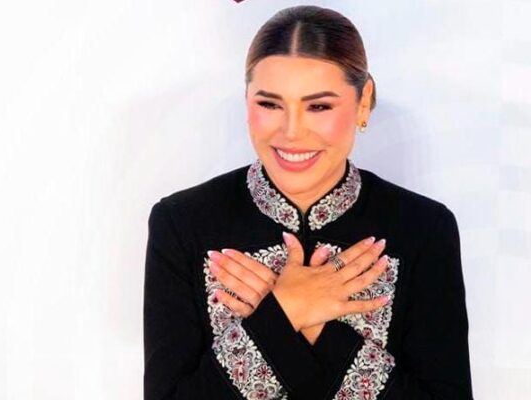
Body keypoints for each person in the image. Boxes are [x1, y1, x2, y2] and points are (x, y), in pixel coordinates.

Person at [143, 5, 473, 400]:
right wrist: (286, 310)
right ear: (247, 100)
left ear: (363, 101)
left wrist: (301, 319)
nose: (291, 132)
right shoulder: (182, 223)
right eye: (269, 104)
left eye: (319, 106)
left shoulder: (423, 228)